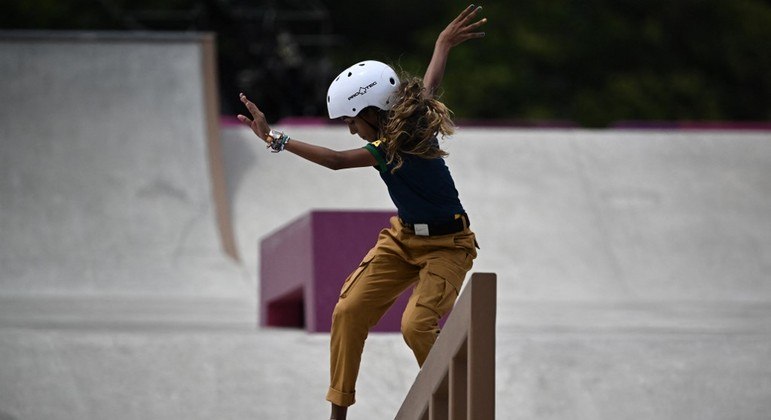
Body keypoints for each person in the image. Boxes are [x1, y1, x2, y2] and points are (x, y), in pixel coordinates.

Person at [238, 5, 487, 419]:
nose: (352, 128)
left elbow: (336, 160)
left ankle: (451, 401)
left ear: (373, 110)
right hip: (403, 241)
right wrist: (441, 43)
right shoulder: (390, 132)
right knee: (348, 312)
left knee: (415, 325)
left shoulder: (414, 130)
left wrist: (276, 138)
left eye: (354, 120)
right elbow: (429, 80)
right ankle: (338, 414)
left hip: (448, 246)